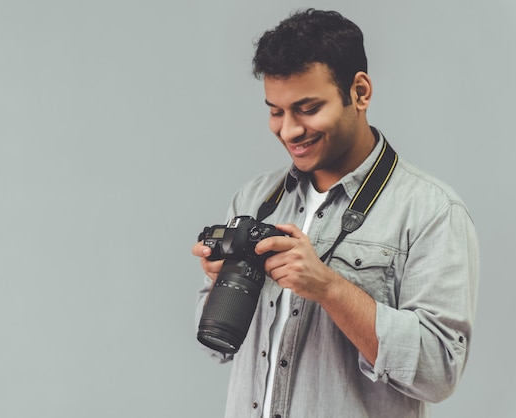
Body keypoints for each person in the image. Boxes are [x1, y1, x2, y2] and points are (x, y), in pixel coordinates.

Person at [192, 9, 479, 418]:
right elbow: (219, 346)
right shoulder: (254, 199)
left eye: (307, 108)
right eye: (276, 111)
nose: (289, 130)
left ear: (360, 92)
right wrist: (220, 282)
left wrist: (329, 288)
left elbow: (439, 371)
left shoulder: (432, 211)